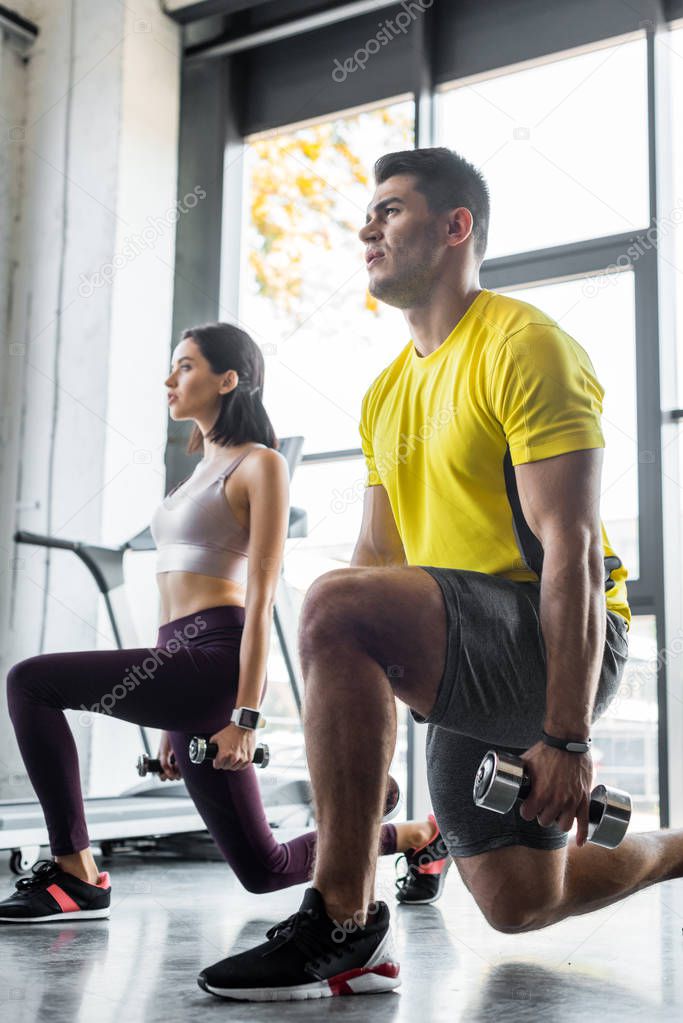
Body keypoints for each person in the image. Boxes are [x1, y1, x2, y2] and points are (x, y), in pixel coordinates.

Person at [195, 147, 679, 1004]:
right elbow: (377, 562)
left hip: (555, 636)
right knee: (518, 904)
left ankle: (344, 921)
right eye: (367, 215)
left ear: (455, 227)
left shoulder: (526, 346)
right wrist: (349, 744)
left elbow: (566, 546)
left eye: (387, 211)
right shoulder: (387, 394)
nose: (363, 228)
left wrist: (565, 737)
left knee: (332, 601)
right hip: (465, 644)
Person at [1, 321, 446, 924]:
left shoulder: (260, 465)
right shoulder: (193, 475)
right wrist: (165, 722)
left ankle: (76, 874)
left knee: (31, 682)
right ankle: (416, 836)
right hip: (177, 667)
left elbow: (260, 599)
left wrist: (245, 717)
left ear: (228, 379)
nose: (169, 379)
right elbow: (167, 597)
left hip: (215, 659)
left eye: (185, 366)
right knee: (263, 869)